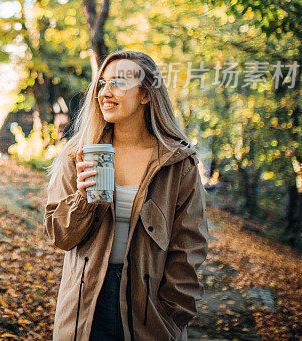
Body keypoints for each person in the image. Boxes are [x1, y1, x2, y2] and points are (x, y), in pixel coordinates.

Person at [44, 50, 209, 341]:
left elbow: (189, 244)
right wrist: (83, 199)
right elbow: (60, 236)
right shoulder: (79, 155)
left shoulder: (177, 164)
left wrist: (173, 310)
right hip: (85, 305)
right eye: (102, 84)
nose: (105, 92)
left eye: (118, 82)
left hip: (151, 310)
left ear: (146, 94)